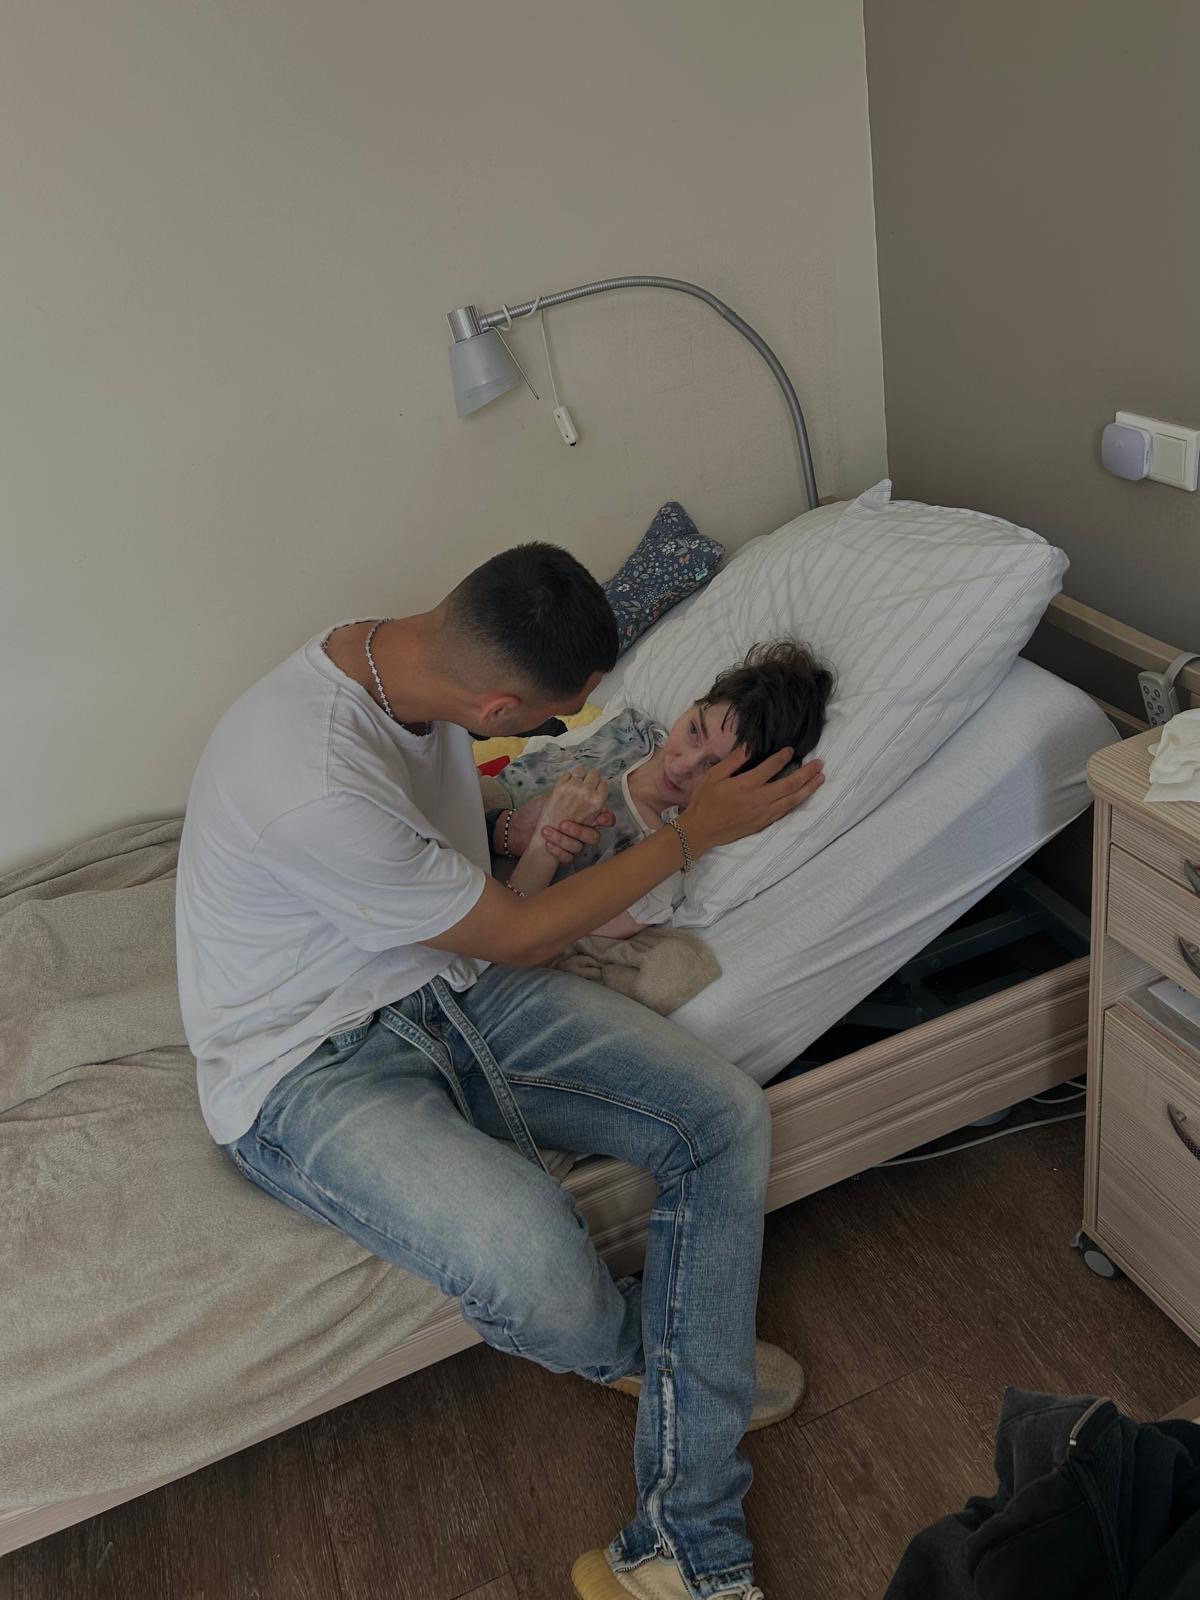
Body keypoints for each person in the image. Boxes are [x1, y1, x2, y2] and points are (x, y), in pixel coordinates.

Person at [175, 543, 825, 1600]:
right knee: (534, 1262)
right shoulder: (310, 779)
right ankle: (651, 1356)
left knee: (724, 1116)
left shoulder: (396, 663)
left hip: (450, 981)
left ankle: (682, 1547)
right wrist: (691, 836)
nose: (564, 728)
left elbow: (465, 877)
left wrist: (531, 827)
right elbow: (522, 932)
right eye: (553, 715)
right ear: (496, 705)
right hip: (305, 1063)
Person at [488, 639, 835, 935]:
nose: (681, 766)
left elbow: (536, 941)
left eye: (712, 767)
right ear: (696, 705)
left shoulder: (657, 867)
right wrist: (504, 825)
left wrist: (545, 840)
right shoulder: (632, 729)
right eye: (694, 730)